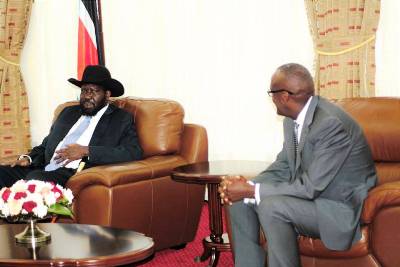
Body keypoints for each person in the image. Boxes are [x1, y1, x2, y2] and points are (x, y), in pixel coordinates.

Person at [219, 63, 377, 267]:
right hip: (312, 198)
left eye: (271, 93)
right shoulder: (292, 119)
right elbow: (284, 166)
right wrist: (246, 186)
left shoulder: (330, 124)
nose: (272, 98)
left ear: (284, 96)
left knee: (272, 206)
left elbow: (310, 187)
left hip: (337, 207)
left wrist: (251, 190)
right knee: (238, 202)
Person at [0, 65, 143, 188]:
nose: (87, 96)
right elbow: (45, 146)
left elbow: (133, 152)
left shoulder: (120, 118)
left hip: (73, 173)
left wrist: (86, 151)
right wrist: (28, 159)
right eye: (84, 90)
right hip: (43, 168)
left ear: (107, 95)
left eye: (94, 91)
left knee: (35, 180)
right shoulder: (68, 112)